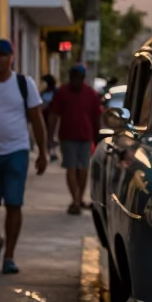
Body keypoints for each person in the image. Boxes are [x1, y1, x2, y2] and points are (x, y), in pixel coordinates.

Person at [0, 40, 48, 274]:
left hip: (16, 152)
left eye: (1, 55)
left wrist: (43, 152)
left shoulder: (23, 83)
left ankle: (9, 255)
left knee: (13, 203)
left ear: (11, 58)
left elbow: (37, 120)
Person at [48, 64, 101, 215]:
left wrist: (97, 137)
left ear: (83, 78)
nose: (76, 80)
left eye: (79, 77)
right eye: (74, 77)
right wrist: (50, 136)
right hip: (68, 137)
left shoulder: (90, 94)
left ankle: (77, 199)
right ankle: (76, 199)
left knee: (82, 168)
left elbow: (97, 117)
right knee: (73, 168)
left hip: (84, 137)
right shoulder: (63, 92)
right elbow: (53, 115)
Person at [39, 74, 58, 162]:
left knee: (51, 135)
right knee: (48, 135)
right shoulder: (48, 92)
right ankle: (50, 152)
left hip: (53, 116)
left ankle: (51, 152)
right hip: (46, 116)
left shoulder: (53, 92)